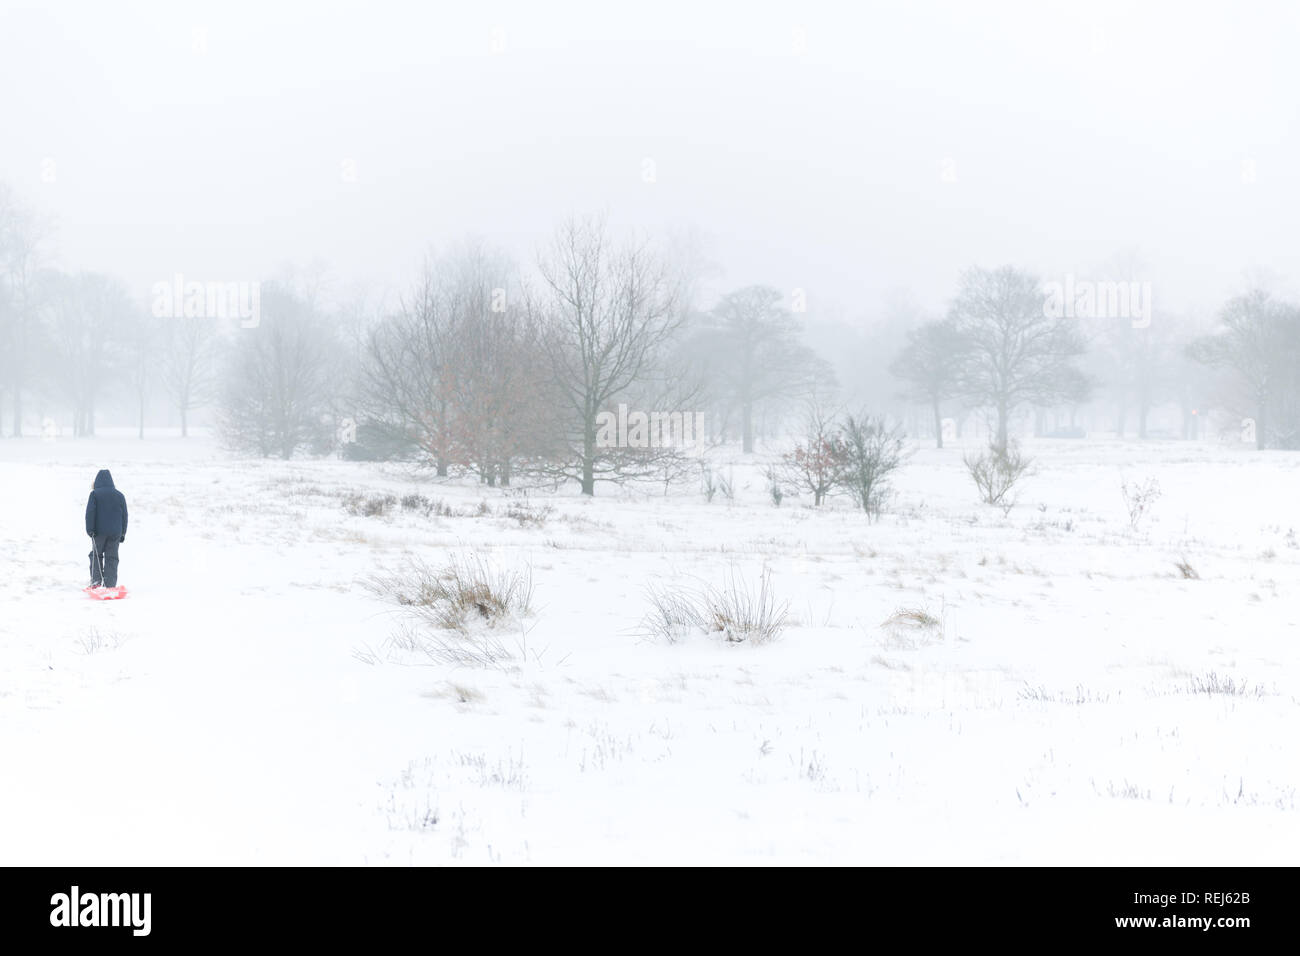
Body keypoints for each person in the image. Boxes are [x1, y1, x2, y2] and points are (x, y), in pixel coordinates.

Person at [86, 469, 128, 588]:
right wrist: (123, 533)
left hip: (99, 532)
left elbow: (90, 513)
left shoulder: (94, 494)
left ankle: (96, 582)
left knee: (96, 555)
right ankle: (110, 585)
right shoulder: (120, 495)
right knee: (112, 557)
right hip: (115, 532)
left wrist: (90, 530)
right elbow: (124, 516)